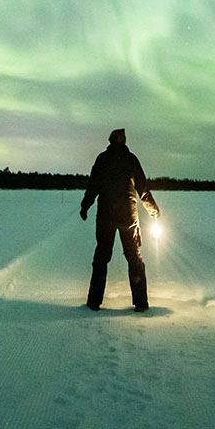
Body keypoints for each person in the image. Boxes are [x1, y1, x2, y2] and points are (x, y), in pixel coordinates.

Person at [80, 128, 160, 312]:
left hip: (107, 217)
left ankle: (94, 302)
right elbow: (142, 189)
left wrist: (86, 205)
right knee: (134, 259)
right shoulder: (130, 159)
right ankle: (140, 304)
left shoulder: (103, 159)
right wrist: (153, 210)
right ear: (120, 141)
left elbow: (93, 186)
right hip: (128, 218)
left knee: (102, 258)